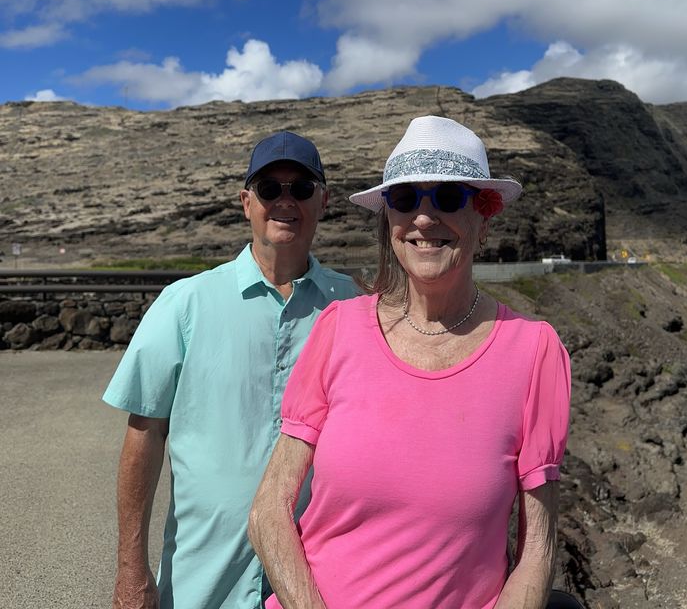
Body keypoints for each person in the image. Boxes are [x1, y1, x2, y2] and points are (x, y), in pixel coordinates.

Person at [249, 115, 572, 609]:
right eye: (404, 200)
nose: (423, 218)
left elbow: (538, 546)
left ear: (482, 220)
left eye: (447, 197)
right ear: (390, 221)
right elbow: (270, 509)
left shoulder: (534, 351)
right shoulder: (338, 329)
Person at [105, 131, 361, 609]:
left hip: (319, 583)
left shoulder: (355, 307)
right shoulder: (185, 303)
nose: (285, 201)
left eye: (300, 188)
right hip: (205, 585)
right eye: (270, 189)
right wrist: (131, 570)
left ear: (322, 201)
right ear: (247, 202)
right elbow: (143, 434)